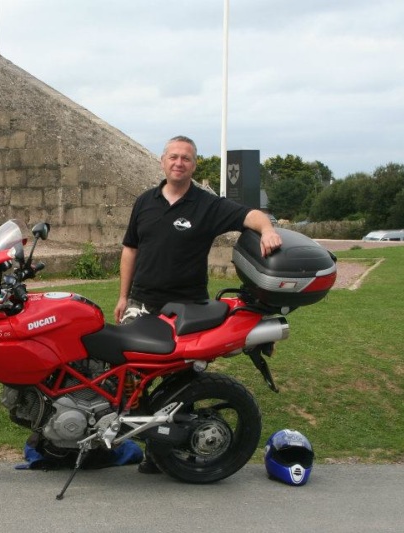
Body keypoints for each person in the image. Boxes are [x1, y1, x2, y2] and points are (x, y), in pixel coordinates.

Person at [113, 135, 282, 473]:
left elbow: (251, 215)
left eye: (186, 158)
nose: (179, 163)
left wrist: (267, 230)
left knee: (179, 385)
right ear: (163, 161)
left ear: (194, 164)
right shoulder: (145, 201)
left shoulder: (207, 205)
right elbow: (130, 249)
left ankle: (162, 453)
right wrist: (122, 296)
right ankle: (122, 438)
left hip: (187, 310)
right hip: (142, 304)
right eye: (173, 157)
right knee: (127, 378)